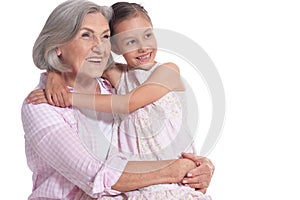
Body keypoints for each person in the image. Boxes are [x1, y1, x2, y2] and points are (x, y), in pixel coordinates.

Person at [23, 0, 214, 199]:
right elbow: (98, 175)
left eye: (105, 36)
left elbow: (130, 104)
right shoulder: (42, 105)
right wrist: (175, 170)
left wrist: (200, 167)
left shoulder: (114, 86)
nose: (99, 46)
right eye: (86, 35)